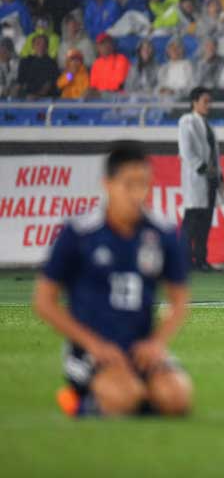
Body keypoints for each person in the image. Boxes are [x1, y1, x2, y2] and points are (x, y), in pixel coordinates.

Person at [32, 141, 192, 417]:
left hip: (141, 348)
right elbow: (44, 301)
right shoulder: (79, 232)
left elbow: (179, 299)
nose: (137, 193)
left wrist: (156, 343)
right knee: (124, 397)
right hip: (91, 351)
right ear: (107, 184)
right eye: (128, 184)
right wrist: (94, 345)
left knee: (176, 398)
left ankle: (135, 395)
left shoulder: (162, 232)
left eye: (143, 184)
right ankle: (78, 402)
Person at [178, 88, 224, 272]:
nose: (208, 105)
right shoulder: (187, 121)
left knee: (205, 223)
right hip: (197, 178)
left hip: (209, 180)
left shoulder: (208, 125)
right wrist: (204, 168)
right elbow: (186, 150)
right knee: (191, 223)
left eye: (209, 101)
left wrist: (218, 174)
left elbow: (214, 154)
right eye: (205, 101)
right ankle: (182, 260)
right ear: (194, 102)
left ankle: (201, 260)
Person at [11, 33, 58, 99]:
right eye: (38, 44)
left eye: (44, 44)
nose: (41, 46)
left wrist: (37, 96)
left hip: (45, 99)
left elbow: (49, 84)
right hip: (26, 97)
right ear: (33, 46)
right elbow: (20, 81)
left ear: (47, 46)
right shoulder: (25, 62)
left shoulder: (52, 63)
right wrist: (12, 97)